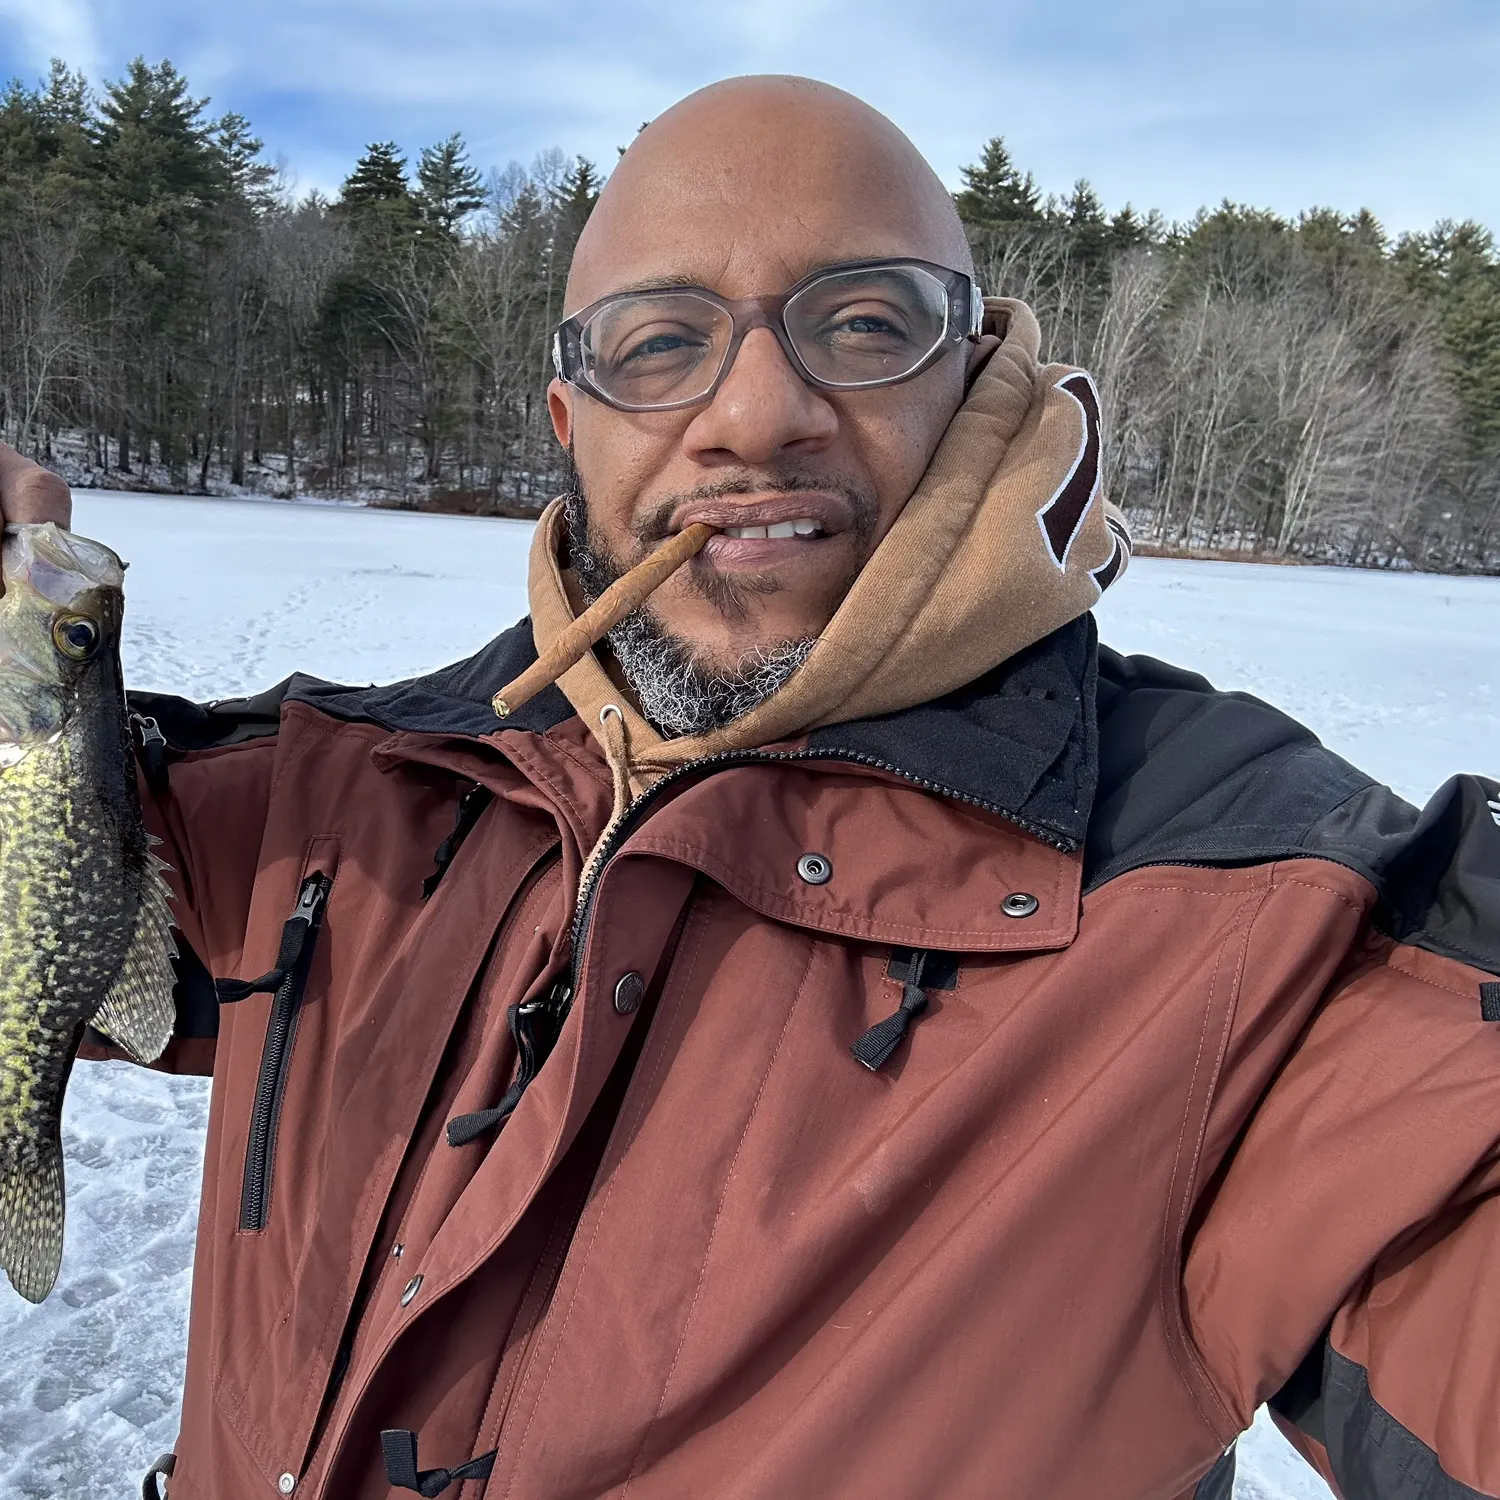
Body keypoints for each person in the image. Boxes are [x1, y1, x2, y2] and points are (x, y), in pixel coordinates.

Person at [1, 74, 1497, 1500]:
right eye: (660, 343)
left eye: (864, 323)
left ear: (978, 380)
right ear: (573, 428)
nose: (756, 413)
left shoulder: (1275, 932)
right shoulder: (347, 792)